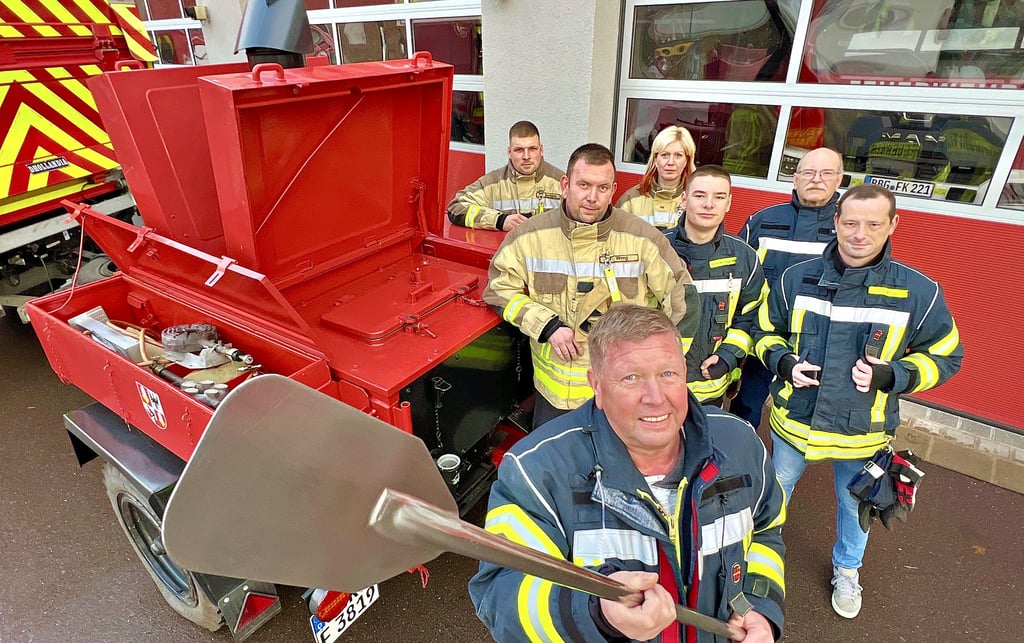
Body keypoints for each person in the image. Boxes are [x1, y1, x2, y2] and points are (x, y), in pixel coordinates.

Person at [469, 304, 786, 643]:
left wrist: (760, 607)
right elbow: (501, 596)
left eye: (667, 374)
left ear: (684, 372)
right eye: (630, 377)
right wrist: (597, 616)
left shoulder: (740, 444)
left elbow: (766, 531)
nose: (655, 398)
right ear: (597, 386)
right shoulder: (537, 471)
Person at [752, 184, 962, 619]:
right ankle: (755, 564)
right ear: (836, 222)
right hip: (795, 423)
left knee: (855, 506)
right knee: (773, 497)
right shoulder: (796, 278)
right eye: (850, 222)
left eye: (872, 223)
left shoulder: (919, 292)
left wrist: (894, 375)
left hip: (862, 434)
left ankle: (848, 569)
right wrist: (784, 362)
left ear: (892, 225)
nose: (859, 233)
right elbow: (762, 332)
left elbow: (946, 356)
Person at [484, 143, 700, 428]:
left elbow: (684, 301)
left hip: (623, 396)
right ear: (565, 184)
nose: (592, 197)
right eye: (583, 185)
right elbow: (498, 290)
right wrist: (547, 326)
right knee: (555, 470)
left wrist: (657, 367)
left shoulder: (643, 239)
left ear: (613, 190)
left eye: (602, 188)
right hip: (556, 399)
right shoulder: (528, 236)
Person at [730, 147, 844, 429]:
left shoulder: (848, 228)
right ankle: (742, 454)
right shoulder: (763, 221)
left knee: (802, 412)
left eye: (826, 173)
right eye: (808, 172)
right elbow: (737, 273)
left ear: (839, 179)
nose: (816, 179)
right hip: (763, 332)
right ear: (795, 179)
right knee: (747, 400)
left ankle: (785, 466)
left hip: (814, 340)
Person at [665, 166, 766, 406]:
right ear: (684, 198)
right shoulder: (656, 249)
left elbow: (751, 316)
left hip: (710, 391)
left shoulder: (745, 258)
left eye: (719, 197)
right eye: (700, 195)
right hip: (657, 387)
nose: (709, 204)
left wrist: (728, 355)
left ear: (729, 203)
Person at [447, 121, 564, 231]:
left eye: (532, 149)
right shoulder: (492, 183)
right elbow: (456, 208)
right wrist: (500, 221)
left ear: (541, 150)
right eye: (519, 150)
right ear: (509, 153)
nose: (526, 156)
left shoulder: (562, 183)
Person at [616, 125, 696, 230]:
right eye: (665, 155)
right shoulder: (630, 200)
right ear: (655, 159)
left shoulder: (696, 199)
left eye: (678, 155)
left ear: (687, 160)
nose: (670, 162)